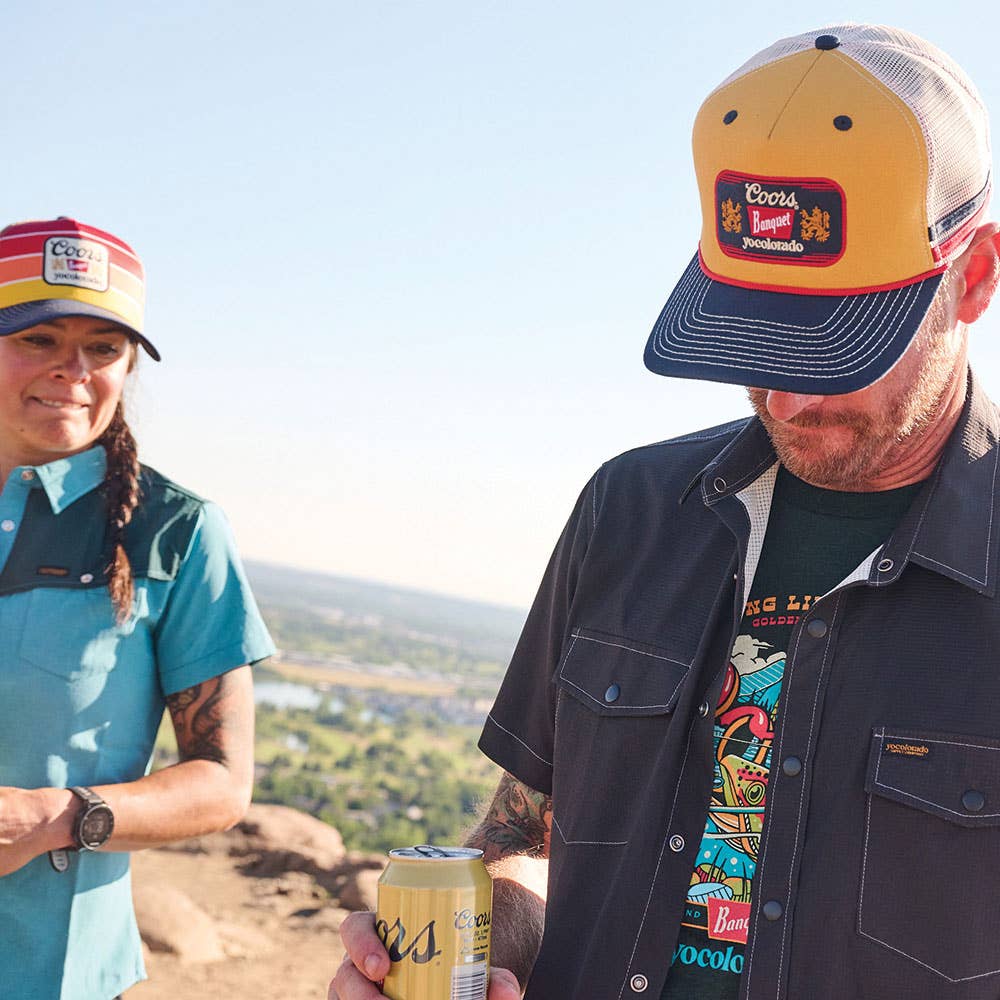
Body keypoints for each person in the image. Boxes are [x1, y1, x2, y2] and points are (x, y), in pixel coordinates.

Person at [333, 23, 1000, 1000]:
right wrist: (470, 948)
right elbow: (528, 832)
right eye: (755, 329)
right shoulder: (627, 511)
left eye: (837, 341)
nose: (786, 393)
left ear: (973, 276)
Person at [0, 217, 275, 999]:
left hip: (49, 977)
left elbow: (222, 782)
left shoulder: (176, 533)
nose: (73, 370)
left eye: (103, 347)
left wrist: (54, 815)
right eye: (40, 339)